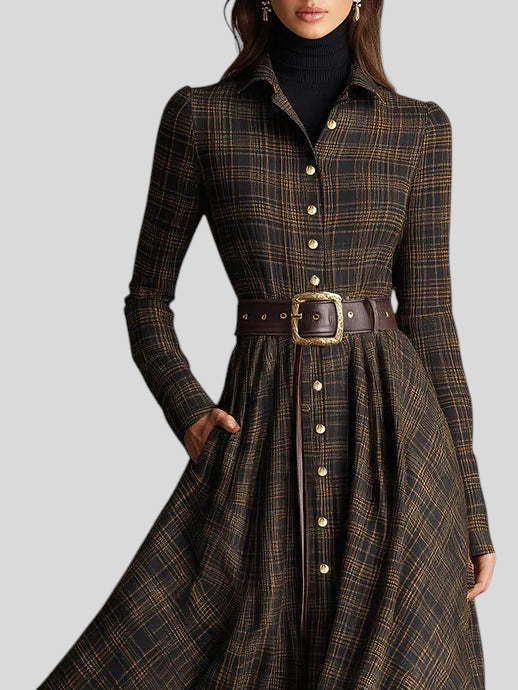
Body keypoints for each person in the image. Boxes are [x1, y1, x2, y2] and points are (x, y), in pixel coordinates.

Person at [38, 1, 496, 688]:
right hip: (262, 427)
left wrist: (472, 507)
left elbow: (432, 320)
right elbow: (147, 299)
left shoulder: (419, 128)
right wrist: (189, 410)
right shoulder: (201, 118)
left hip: (398, 446)